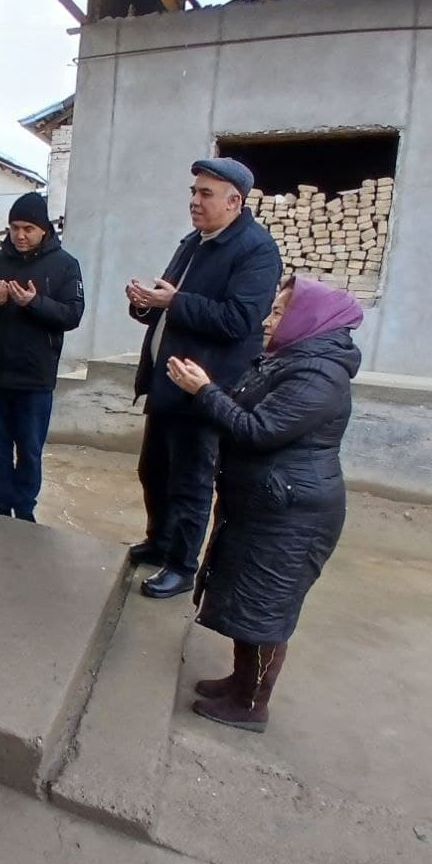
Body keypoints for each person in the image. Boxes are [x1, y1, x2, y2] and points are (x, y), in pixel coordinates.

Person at [166, 275, 364, 732]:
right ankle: (241, 682)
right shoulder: (290, 360)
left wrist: (204, 392)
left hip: (294, 513)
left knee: (268, 608)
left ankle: (251, 705)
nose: (269, 319)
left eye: (280, 312)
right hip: (271, 502)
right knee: (249, 599)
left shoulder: (319, 374)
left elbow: (259, 429)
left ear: (308, 319)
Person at [127, 158, 282, 600]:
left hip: (204, 389)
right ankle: (159, 543)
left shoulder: (256, 250)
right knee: (153, 471)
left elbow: (238, 321)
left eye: (205, 194)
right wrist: (145, 304)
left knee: (190, 481)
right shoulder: (194, 242)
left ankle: (181, 565)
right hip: (166, 383)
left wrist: (174, 302)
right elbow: (170, 303)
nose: (194, 201)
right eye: (193, 192)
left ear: (235, 201)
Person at [0, 192, 84, 521]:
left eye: (28, 228)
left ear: (44, 229)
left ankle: (25, 509)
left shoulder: (64, 265)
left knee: (29, 450)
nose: (20, 235)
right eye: (14, 227)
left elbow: (72, 315)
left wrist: (34, 303)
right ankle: (0, 503)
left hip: (35, 378)